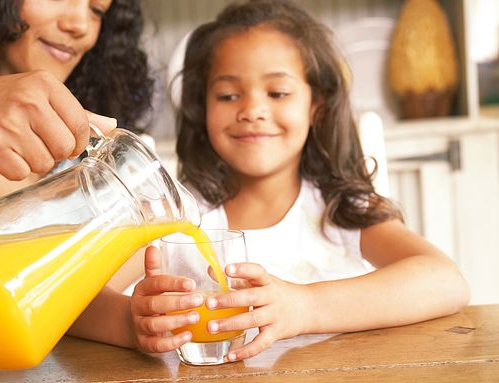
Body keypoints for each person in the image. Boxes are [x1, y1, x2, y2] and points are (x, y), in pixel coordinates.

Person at [119, 0, 470, 361]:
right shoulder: (178, 217)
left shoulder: (341, 209)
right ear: (202, 107)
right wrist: (132, 323)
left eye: (278, 93)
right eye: (228, 95)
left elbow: (445, 281)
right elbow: (74, 300)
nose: (252, 110)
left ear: (316, 105)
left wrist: (306, 307)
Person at [0, 0, 153, 342]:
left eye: (97, 11)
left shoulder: (102, 152)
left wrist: (140, 319)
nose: (80, 24)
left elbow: (58, 311)